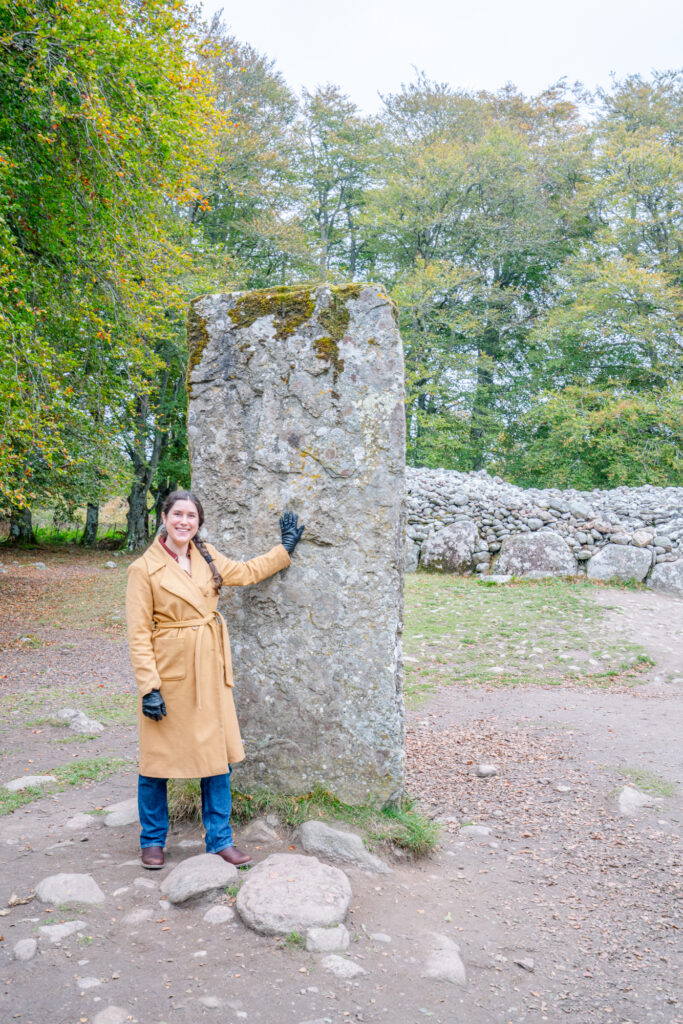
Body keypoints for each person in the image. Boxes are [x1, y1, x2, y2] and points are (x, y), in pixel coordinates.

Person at [125, 489, 304, 870]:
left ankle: (219, 839)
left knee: (217, 757)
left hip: (209, 667)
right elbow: (138, 633)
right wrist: (148, 687)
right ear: (164, 517)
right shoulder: (143, 569)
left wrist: (284, 548)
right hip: (168, 671)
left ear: (199, 521)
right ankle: (152, 840)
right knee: (157, 761)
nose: (184, 522)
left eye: (191, 516)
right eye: (177, 515)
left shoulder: (206, 556)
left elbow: (246, 571)